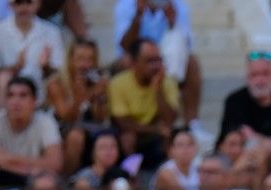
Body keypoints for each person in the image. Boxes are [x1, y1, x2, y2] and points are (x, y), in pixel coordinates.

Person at [114, 0, 202, 132]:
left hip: (168, 59)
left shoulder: (179, 6)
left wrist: (173, 22)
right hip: (139, 58)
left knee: (191, 62)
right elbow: (125, 46)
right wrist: (138, 16)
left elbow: (186, 45)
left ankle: (193, 123)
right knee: (125, 61)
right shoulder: (125, 6)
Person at [219, 49, 271, 160]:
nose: (260, 80)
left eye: (265, 74)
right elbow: (233, 135)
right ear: (247, 77)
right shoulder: (235, 101)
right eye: (254, 75)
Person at [108, 37, 179, 166]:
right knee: (128, 137)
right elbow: (123, 123)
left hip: (156, 135)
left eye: (158, 60)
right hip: (135, 134)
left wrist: (158, 91)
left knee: (170, 134)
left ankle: (169, 172)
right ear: (134, 63)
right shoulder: (117, 83)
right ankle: (132, 175)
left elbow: (170, 119)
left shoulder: (168, 82)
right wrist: (154, 129)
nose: (156, 66)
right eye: (150, 61)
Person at [0, 0, 62, 106]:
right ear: (10, 5)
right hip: (8, 96)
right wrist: (14, 69)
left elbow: (58, 72)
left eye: (29, 2)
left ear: (38, 4)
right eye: (18, 3)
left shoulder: (52, 32)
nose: (24, 8)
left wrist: (45, 67)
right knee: (3, 78)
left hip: (42, 96)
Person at [45, 37, 108, 172]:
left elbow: (100, 118)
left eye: (90, 59)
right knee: (76, 136)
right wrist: (81, 98)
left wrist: (100, 97)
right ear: (70, 60)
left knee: (109, 138)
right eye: (80, 59)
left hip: (90, 126)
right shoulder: (56, 83)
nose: (85, 65)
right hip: (61, 127)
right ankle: (68, 182)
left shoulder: (97, 80)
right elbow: (67, 117)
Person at [0, 74, 60, 181]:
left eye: (23, 95)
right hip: (2, 180)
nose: (16, 102)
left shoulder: (45, 121)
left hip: (33, 183)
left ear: (35, 101)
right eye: (11, 95)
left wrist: (10, 158)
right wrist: (32, 168)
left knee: (48, 179)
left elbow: (55, 163)